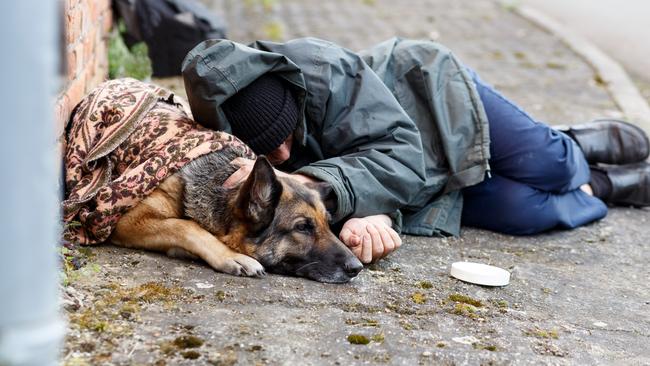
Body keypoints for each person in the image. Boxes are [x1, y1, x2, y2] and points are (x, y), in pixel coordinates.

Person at [181, 37, 650, 264]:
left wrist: (310, 182)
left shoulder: (322, 68)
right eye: (268, 148)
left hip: (431, 102)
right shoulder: (237, 151)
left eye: (287, 134)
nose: (281, 155)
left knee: (549, 165)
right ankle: (603, 184)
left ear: (290, 95)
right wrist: (376, 218)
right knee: (525, 211)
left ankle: (571, 142)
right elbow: (335, 207)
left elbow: (398, 151)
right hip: (414, 182)